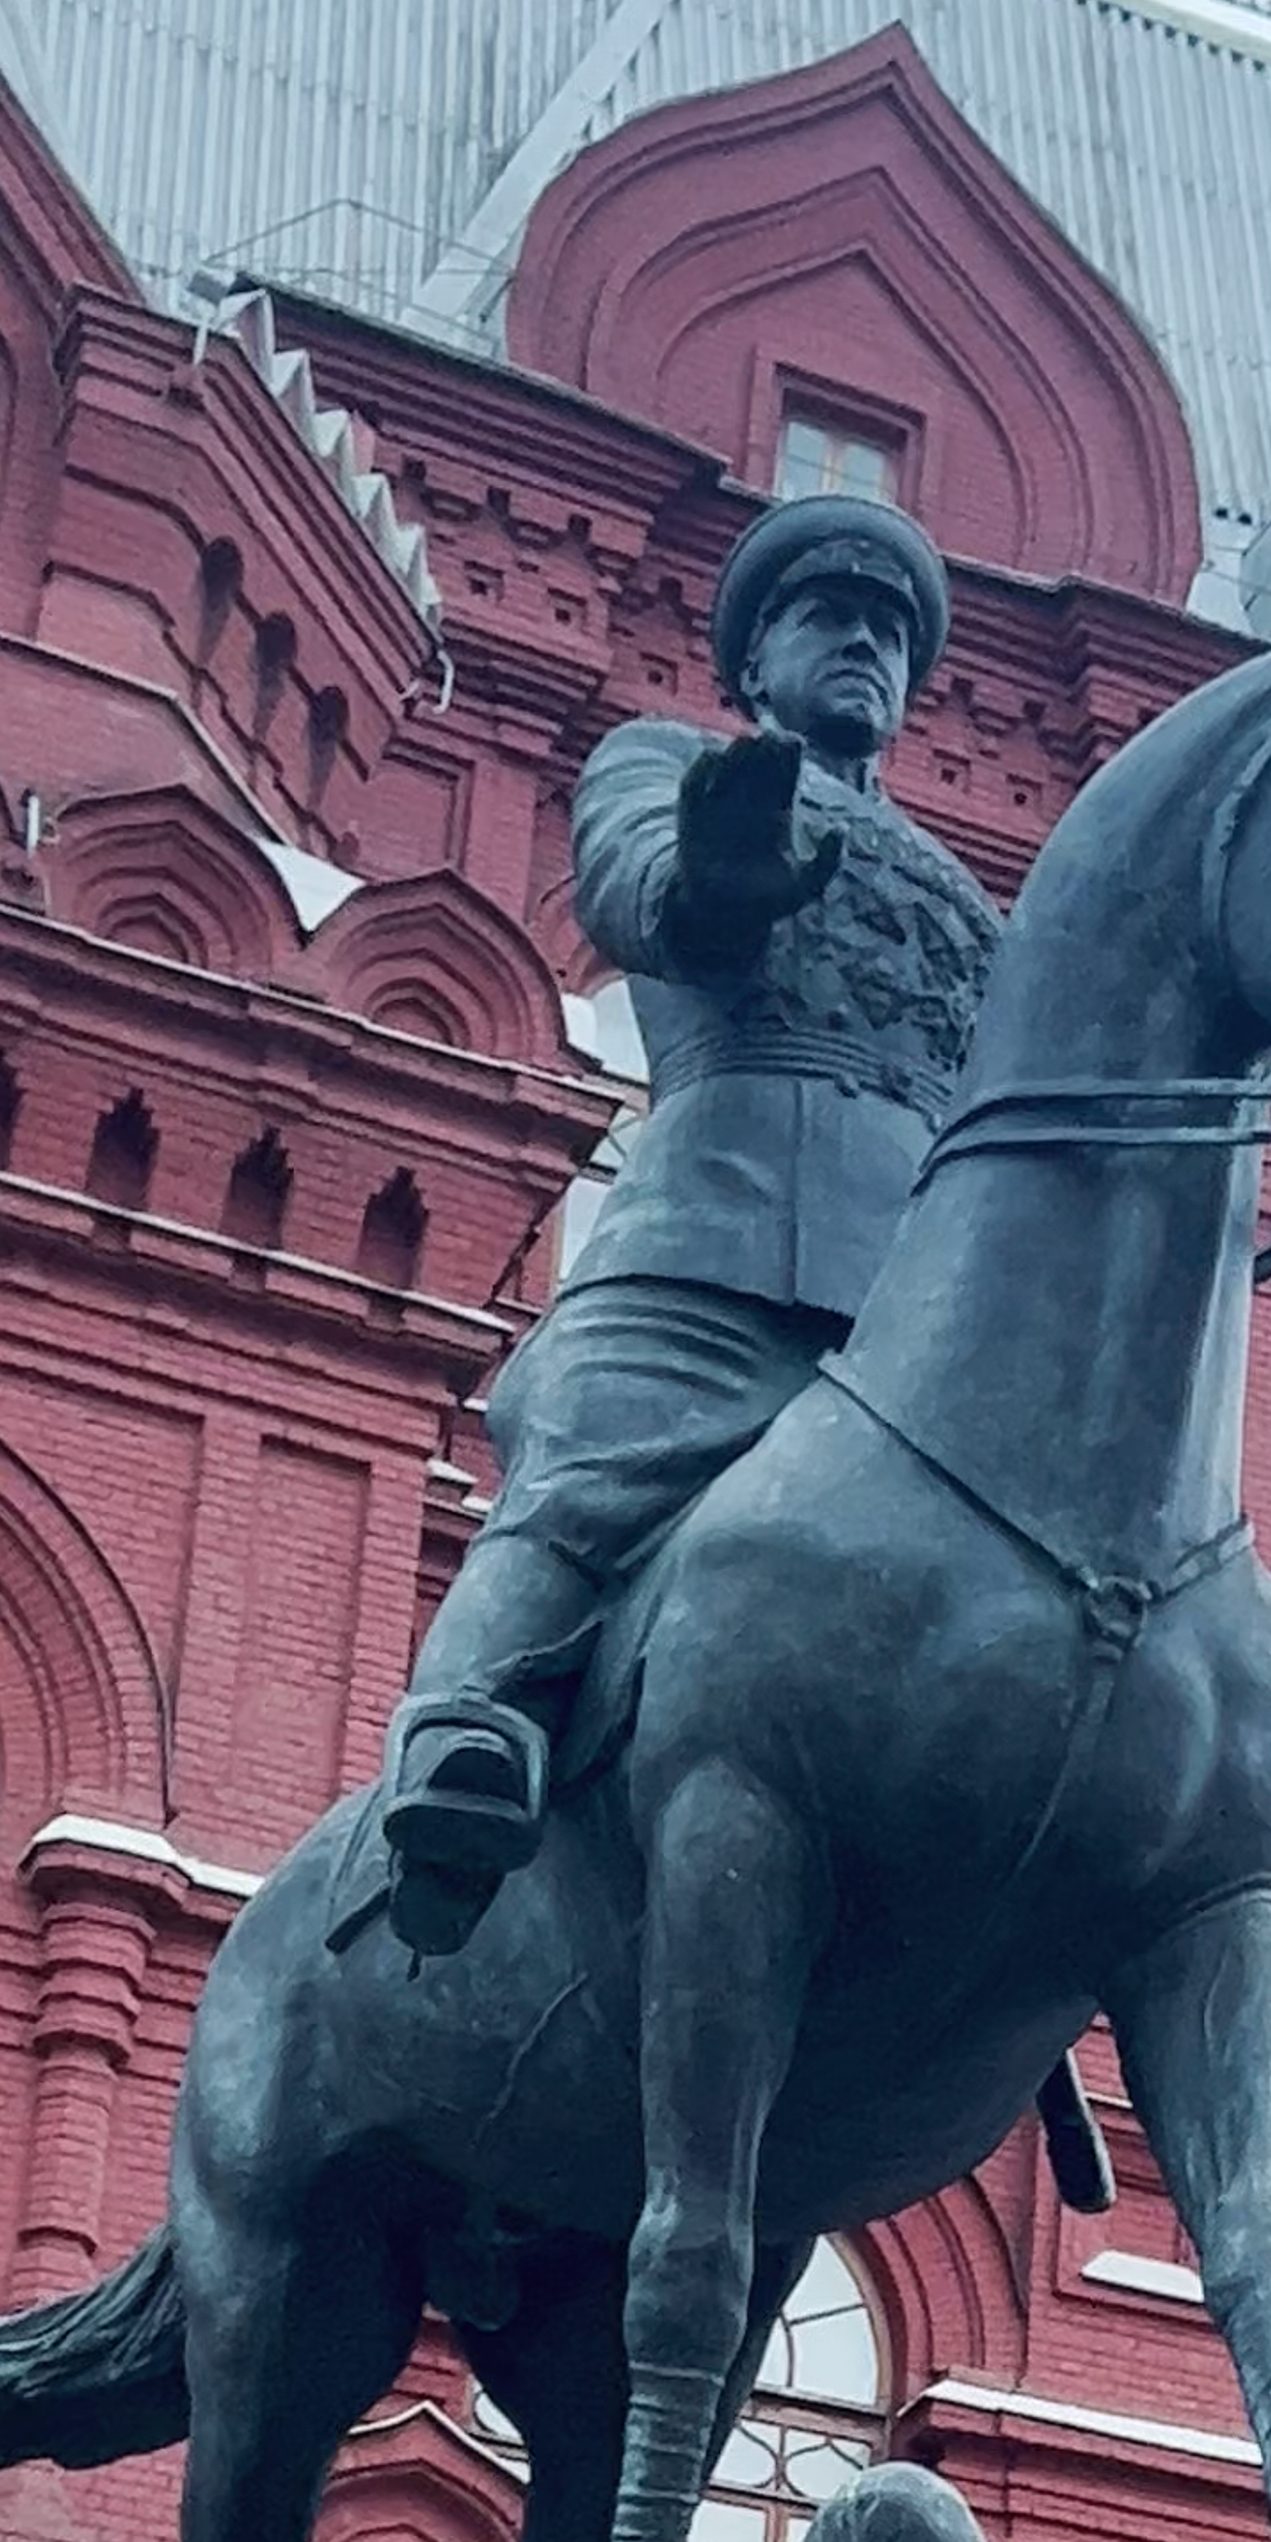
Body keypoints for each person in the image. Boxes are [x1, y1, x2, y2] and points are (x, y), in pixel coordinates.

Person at [371, 488, 1000, 1952]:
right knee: (592, 1466)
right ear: (754, 662)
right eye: (828, 617)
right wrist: (722, 879)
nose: (865, 645)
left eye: (892, 631)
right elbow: (641, 894)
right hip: (723, 1239)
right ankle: (462, 1737)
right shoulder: (670, 765)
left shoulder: (971, 903)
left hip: (923, 1317)